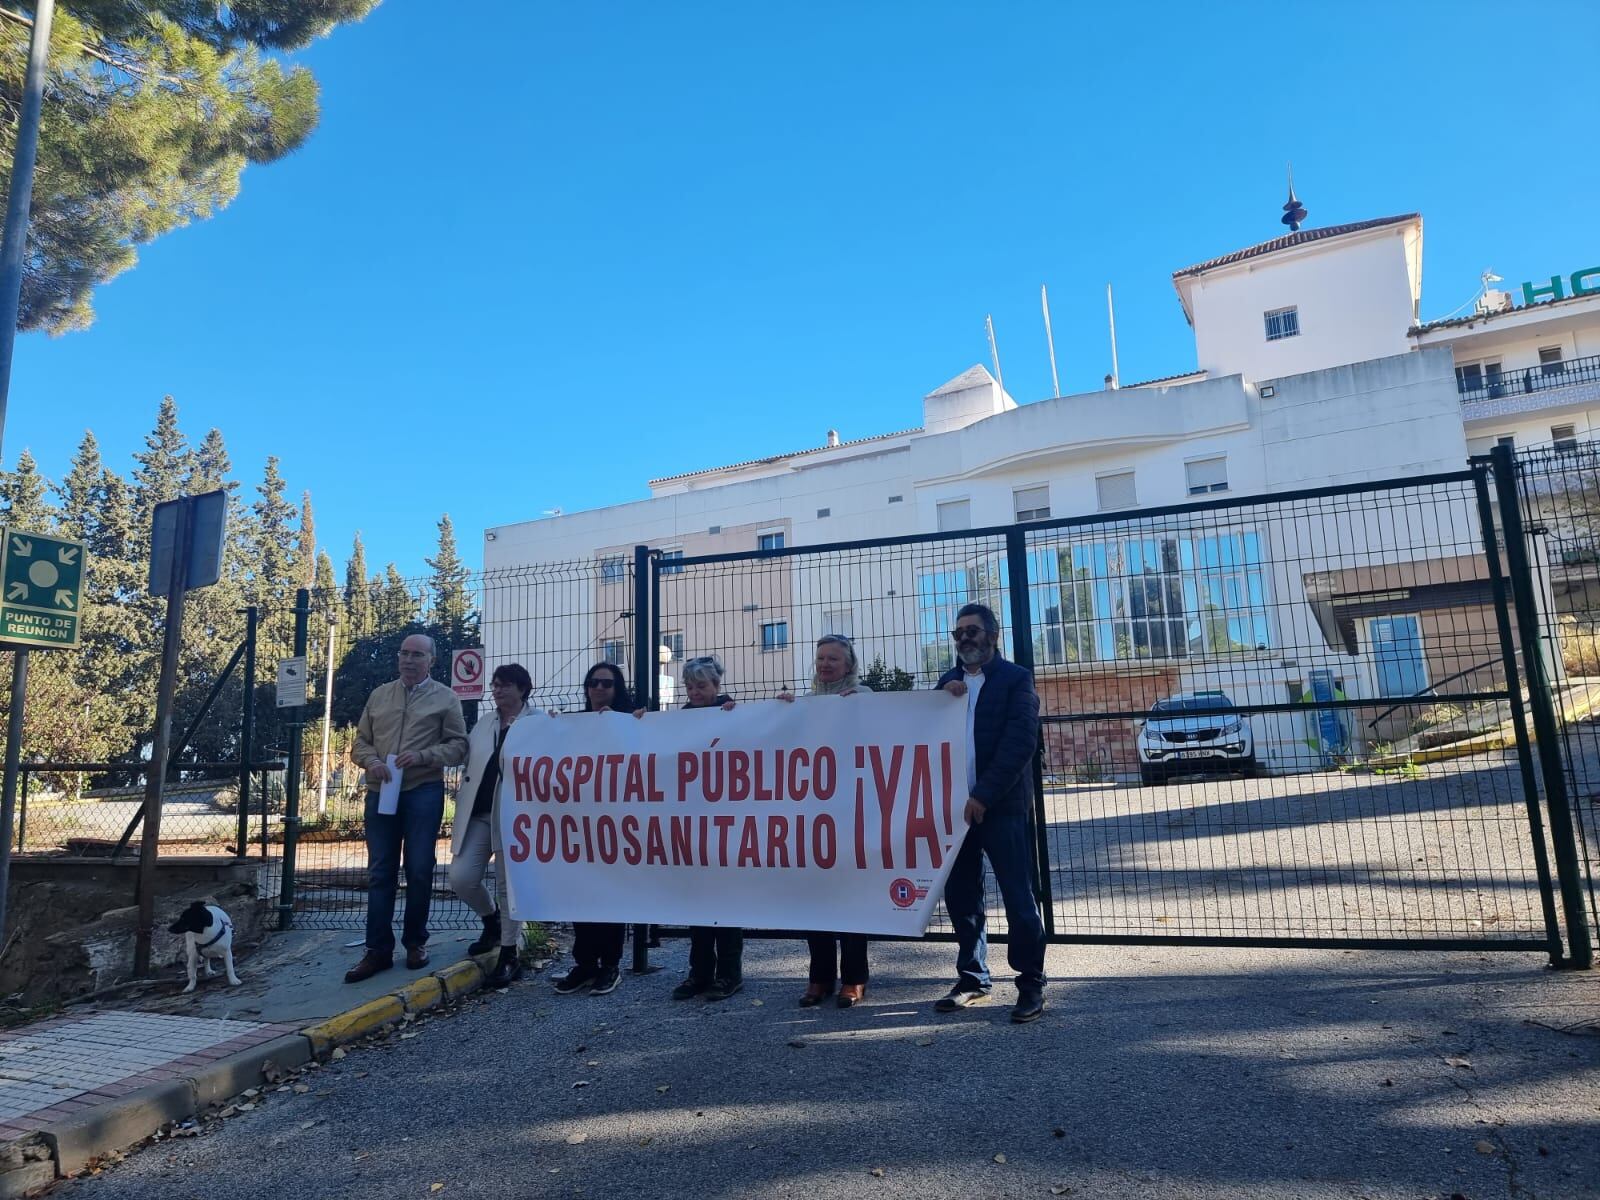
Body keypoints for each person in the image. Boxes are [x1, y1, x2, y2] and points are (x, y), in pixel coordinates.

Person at [933, 603, 1048, 1023]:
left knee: (1019, 899)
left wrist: (983, 794)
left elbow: (1020, 743)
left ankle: (1031, 983)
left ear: (992, 635)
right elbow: (925, 736)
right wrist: (939, 700)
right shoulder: (946, 683)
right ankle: (972, 978)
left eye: (973, 630)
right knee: (962, 900)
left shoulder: (1017, 680)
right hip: (956, 813)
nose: (965, 638)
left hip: (1002, 809)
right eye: (959, 632)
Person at [346, 633, 469, 983]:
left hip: (422, 791)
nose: (409, 660)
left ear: (431, 660)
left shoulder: (446, 698)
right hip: (380, 791)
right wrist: (371, 762)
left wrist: (424, 756)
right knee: (380, 872)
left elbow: (459, 746)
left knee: (418, 869)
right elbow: (360, 742)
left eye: (417, 654)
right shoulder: (379, 695)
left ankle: (415, 943)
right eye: (404, 653)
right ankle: (377, 951)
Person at [639, 655, 742, 1000]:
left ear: (716, 686)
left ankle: (729, 973)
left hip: (727, 822)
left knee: (726, 903)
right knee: (697, 903)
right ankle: (699, 973)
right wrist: (640, 724)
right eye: (690, 686)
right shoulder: (678, 720)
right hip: (692, 823)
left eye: (702, 685)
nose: (696, 691)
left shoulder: (735, 713)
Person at [779, 635, 874, 1008]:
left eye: (833, 658)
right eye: (820, 658)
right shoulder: (806, 702)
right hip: (812, 814)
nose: (825, 664)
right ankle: (819, 978)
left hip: (852, 812)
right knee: (814, 897)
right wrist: (783, 712)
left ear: (849, 665)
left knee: (850, 897)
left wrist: (863, 710)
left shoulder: (863, 696)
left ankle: (854, 979)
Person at [551, 662, 635, 997]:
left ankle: (610, 965)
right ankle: (584, 964)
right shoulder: (573, 726)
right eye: (593, 683)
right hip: (581, 823)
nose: (599, 689)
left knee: (611, 895)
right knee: (581, 894)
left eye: (607, 683)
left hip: (617, 824)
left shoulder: (633, 723)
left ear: (618, 689)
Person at [449, 663, 533, 989]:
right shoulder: (484, 723)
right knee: (462, 877)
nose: (497, 690)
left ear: (522, 689)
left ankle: (509, 953)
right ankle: (491, 920)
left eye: (505, 685)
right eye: (495, 685)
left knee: (507, 884)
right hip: (479, 815)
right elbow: (466, 757)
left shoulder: (536, 723)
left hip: (514, 819)